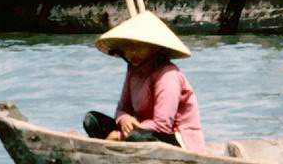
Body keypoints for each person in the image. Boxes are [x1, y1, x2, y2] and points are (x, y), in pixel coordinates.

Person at [82, 11, 206, 154]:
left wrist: (120, 135)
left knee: (134, 136)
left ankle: (117, 146)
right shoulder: (133, 69)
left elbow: (162, 126)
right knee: (92, 119)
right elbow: (122, 108)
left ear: (153, 47)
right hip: (141, 130)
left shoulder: (168, 75)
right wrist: (124, 119)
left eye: (139, 46)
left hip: (177, 140)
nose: (133, 52)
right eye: (130, 45)